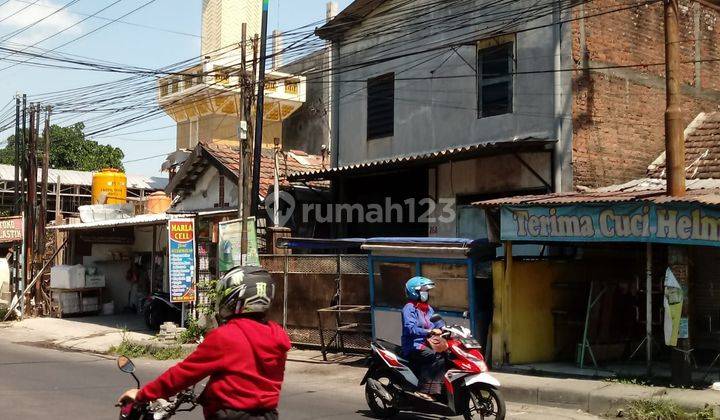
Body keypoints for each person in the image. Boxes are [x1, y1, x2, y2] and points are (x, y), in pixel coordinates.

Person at [118, 266, 291, 420]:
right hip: (268, 414)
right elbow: (248, 378)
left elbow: (183, 374)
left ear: (233, 296)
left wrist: (143, 394)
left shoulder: (226, 337)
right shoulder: (277, 336)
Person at [401, 276, 446, 399]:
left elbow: (438, 322)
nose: (426, 293)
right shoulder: (409, 308)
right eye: (424, 291)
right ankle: (425, 390)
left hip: (428, 343)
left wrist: (445, 329)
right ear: (414, 292)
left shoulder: (428, 308)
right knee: (434, 356)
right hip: (413, 346)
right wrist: (429, 331)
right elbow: (410, 328)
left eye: (427, 291)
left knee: (448, 354)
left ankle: (441, 388)